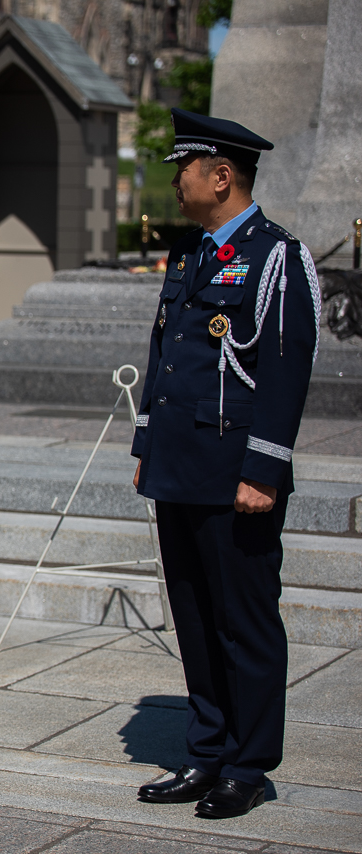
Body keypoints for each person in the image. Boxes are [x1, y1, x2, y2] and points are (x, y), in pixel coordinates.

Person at [132, 110, 321, 819]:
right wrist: (148, 448)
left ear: (221, 175)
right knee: (195, 619)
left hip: (235, 475)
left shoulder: (276, 256)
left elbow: (283, 371)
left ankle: (247, 764)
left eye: (184, 167)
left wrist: (263, 472)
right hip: (180, 468)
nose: (175, 179)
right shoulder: (189, 256)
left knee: (244, 623)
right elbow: (166, 359)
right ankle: (207, 750)